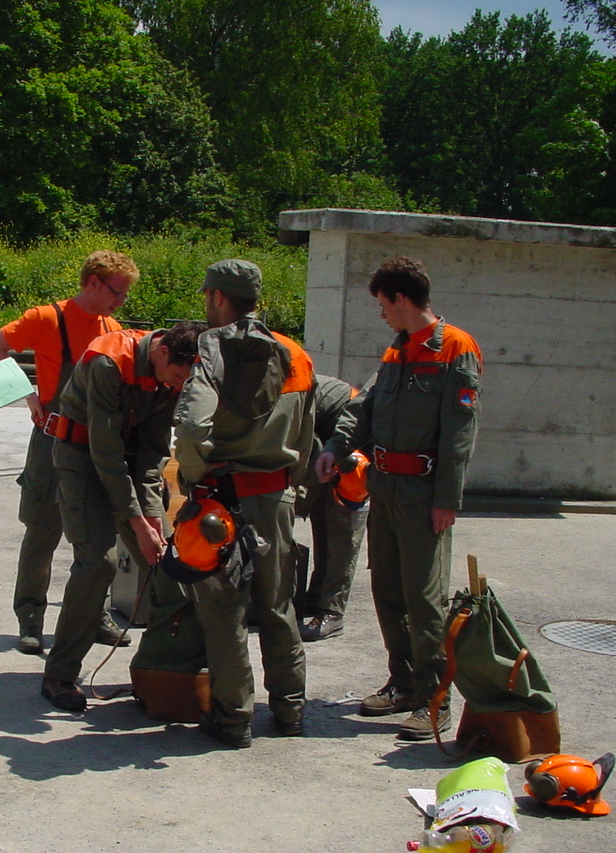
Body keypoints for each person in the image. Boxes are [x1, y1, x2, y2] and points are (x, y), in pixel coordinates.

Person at [316, 256, 482, 741]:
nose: (382, 313)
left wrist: (447, 499)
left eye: (383, 304)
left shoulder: (454, 347)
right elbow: (364, 407)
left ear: (401, 299)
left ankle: (435, 699)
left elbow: (459, 433)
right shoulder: (399, 348)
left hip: (423, 492)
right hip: (385, 488)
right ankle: (404, 684)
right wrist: (335, 447)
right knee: (388, 590)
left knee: (424, 598)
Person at [172, 259, 315, 748]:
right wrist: (290, 488)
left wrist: (192, 476)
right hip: (275, 498)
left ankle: (233, 718)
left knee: (225, 610)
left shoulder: (213, 347)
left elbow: (192, 425)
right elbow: (308, 431)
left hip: (223, 502)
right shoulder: (294, 353)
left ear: (215, 297)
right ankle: (290, 709)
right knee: (278, 604)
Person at [0, 251, 140, 655]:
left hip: (95, 443)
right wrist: (25, 394)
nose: (120, 302)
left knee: (97, 533)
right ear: (93, 283)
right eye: (117, 293)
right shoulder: (46, 318)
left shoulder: (112, 327)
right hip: (51, 439)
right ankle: (30, 618)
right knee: (43, 528)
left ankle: (94, 613)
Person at [39, 322, 202, 711]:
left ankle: (165, 672)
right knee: (98, 562)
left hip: (126, 466)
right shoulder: (109, 361)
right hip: (83, 460)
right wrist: (135, 521)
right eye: (178, 376)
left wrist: (151, 522)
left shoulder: (170, 378)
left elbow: (149, 459)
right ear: (162, 353)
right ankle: (60, 675)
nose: (179, 386)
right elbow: (105, 452)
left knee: (168, 562)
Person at [296, 374, 368, 642]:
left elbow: (301, 445)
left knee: (341, 523)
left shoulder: (287, 389)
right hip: (327, 437)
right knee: (321, 516)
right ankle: (316, 597)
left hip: (354, 442)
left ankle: (332, 613)